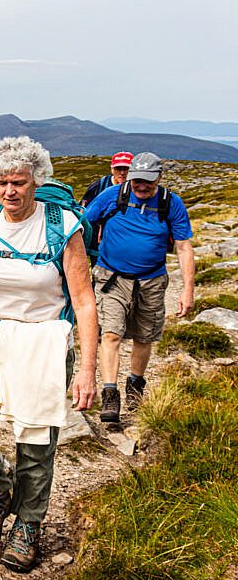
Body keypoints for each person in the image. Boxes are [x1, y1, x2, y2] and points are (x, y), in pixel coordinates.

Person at [0, 136, 97, 572]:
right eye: (2, 182)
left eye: (19, 183)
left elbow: (83, 301)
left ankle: (27, 524)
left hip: (43, 346)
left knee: (36, 443)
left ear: (36, 181)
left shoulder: (63, 226)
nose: (10, 192)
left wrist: (86, 369)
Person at [83, 152, 194, 424]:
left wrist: (188, 289)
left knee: (144, 336)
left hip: (152, 280)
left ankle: (135, 385)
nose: (141, 186)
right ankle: (110, 394)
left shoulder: (171, 203)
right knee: (110, 334)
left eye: (147, 181)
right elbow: (83, 222)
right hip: (112, 277)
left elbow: (183, 246)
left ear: (159, 177)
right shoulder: (113, 195)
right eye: (136, 181)